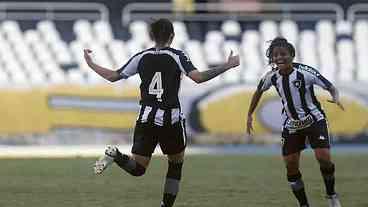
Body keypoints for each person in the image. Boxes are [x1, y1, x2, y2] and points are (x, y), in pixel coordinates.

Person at [84, 18, 239, 207]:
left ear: (151, 36)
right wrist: (227, 65)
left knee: (138, 169)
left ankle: (115, 154)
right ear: (172, 36)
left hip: (146, 117)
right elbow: (198, 78)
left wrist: (91, 64)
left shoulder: (141, 56)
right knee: (175, 164)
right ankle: (166, 206)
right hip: (170, 119)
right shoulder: (177, 55)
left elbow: (113, 76)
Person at [246, 37, 343, 207]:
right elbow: (258, 91)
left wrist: (335, 97)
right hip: (291, 125)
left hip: (314, 120)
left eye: (283, 54)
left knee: (324, 158)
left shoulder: (305, 72)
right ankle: (304, 204)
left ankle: (331, 195)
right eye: (275, 55)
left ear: (292, 55)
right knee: (291, 166)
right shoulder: (271, 77)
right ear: (272, 59)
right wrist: (249, 114)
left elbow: (330, 87)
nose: (279, 58)